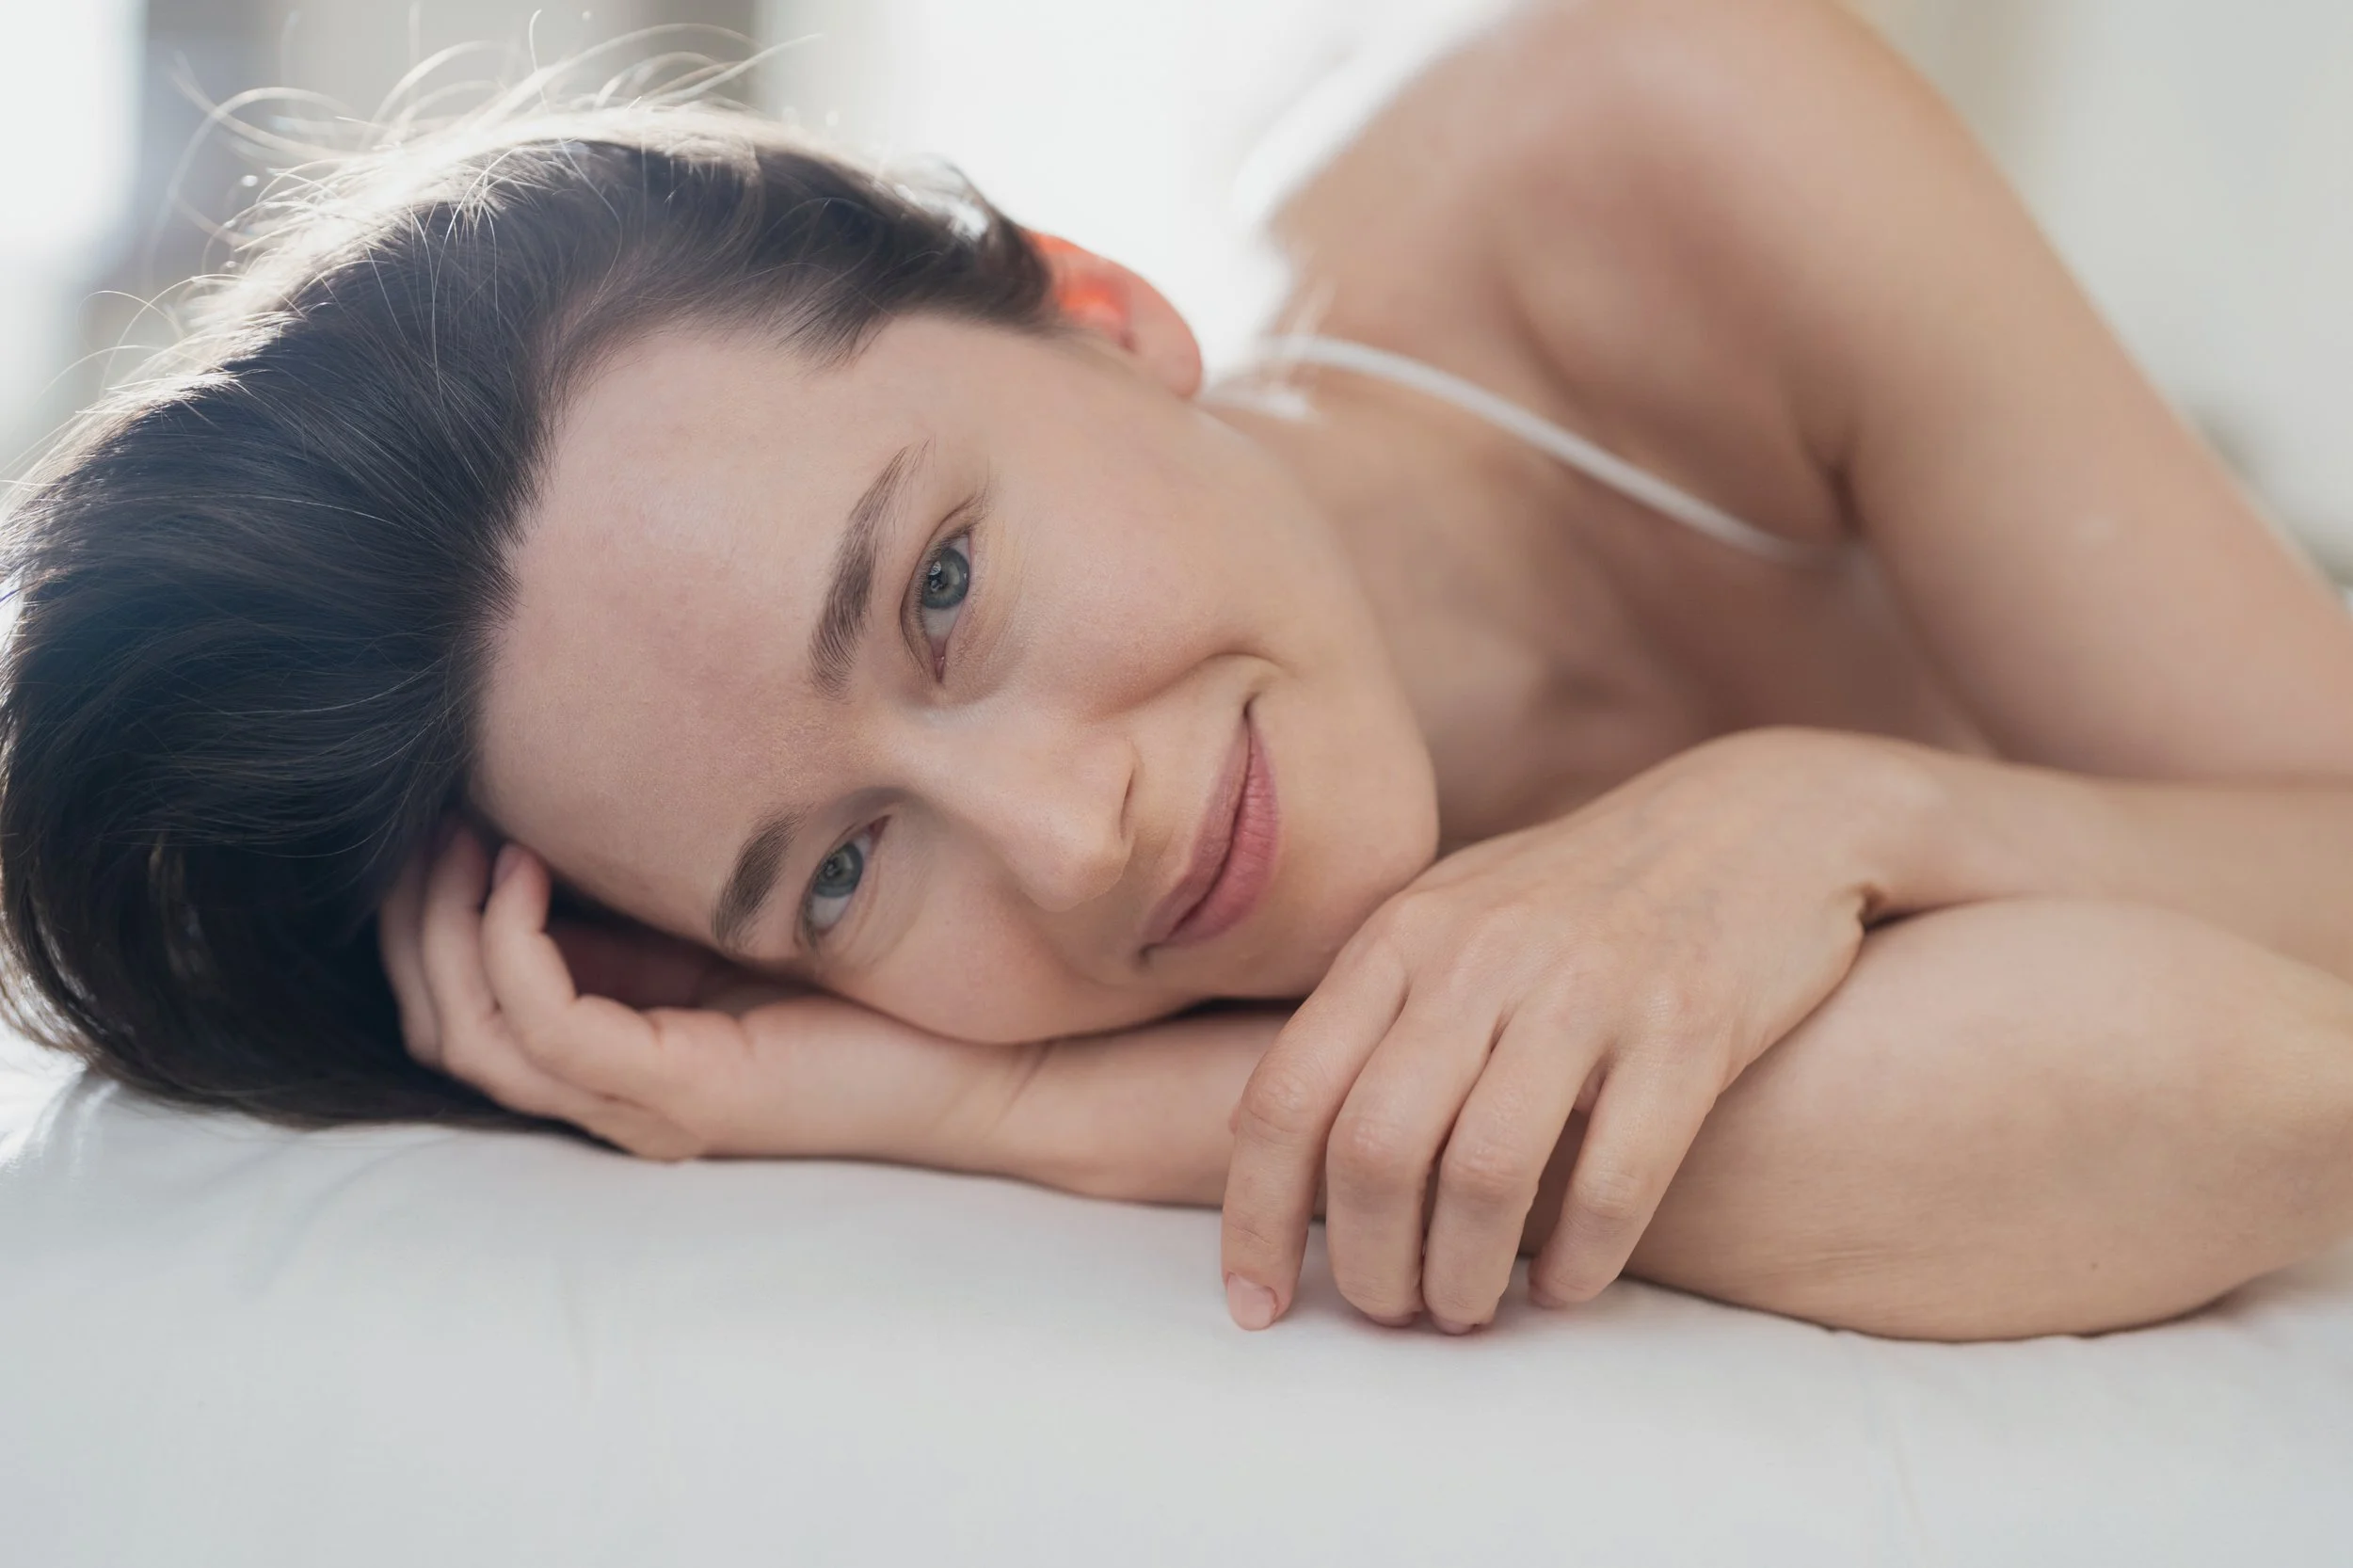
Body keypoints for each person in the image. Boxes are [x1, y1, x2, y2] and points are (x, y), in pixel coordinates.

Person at [5, 0, 2351, 1344]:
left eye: (935, 588)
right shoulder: (1021, 1019)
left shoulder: (1661, 132)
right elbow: (2234, 1085)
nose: (1069, 837)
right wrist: (1003, 1118)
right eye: (832, 875)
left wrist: (1804, 817)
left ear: (1097, 306)